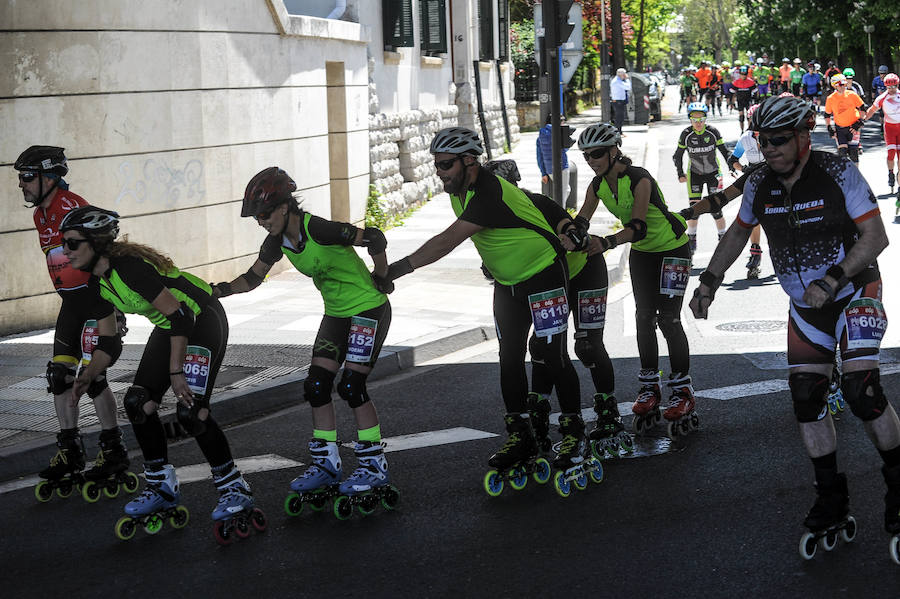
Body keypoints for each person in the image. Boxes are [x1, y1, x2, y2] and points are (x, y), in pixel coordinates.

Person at [689, 94, 900, 559]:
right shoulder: (759, 182)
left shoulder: (838, 172)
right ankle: (831, 498)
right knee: (806, 398)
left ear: (804, 136)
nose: (770, 149)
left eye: (780, 140)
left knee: (861, 391)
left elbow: (876, 237)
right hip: (806, 306)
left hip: (854, 291)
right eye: (763, 140)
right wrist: (709, 281)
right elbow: (738, 232)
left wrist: (833, 278)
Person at [374, 127, 590, 480]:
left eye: (445, 164)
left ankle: (574, 433)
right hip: (508, 284)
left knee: (553, 355)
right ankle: (520, 436)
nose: (439, 171)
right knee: (509, 358)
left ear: (469, 161)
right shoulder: (462, 190)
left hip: (544, 276)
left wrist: (394, 270)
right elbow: (526, 207)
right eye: (437, 164)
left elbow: (446, 241)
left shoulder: (488, 192)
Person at [58, 206, 260, 542]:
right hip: (171, 327)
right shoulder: (97, 283)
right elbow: (109, 341)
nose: (65, 251)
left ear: (95, 242)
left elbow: (182, 316)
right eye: (64, 243)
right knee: (138, 403)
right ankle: (161, 487)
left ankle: (234, 487)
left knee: (191, 410)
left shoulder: (130, 268)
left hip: (201, 319)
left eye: (72, 243)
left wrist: (175, 371)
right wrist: (88, 375)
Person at [213, 166, 397, 515]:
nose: (261, 222)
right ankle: (326, 464)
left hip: (368, 309)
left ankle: (373, 465)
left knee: (352, 386)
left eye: (264, 214)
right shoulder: (277, 242)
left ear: (285, 207)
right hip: (337, 315)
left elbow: (374, 238)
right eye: (257, 217)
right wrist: (216, 291)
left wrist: (382, 276)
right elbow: (252, 278)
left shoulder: (320, 229)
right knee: (316, 386)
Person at [482, 159, 631, 460]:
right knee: (538, 347)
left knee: (587, 345)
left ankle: (607, 412)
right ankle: (536, 410)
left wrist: (571, 237)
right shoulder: (482, 215)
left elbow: (573, 230)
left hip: (583, 271)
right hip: (545, 282)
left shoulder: (536, 204)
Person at [14, 146, 130, 501]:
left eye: (27, 177)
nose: (21, 184)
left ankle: (113, 449)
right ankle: (70, 450)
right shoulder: (40, 215)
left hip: (96, 302)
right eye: (20, 178)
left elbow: (104, 252)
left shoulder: (72, 208)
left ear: (49, 177)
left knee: (93, 379)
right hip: (71, 304)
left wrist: (115, 305)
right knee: (59, 376)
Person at [576, 122, 696, 439]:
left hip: (672, 249)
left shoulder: (639, 178)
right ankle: (649, 388)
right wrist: (567, 234)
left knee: (669, 319)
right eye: (586, 155)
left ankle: (682, 391)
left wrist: (606, 242)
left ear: (614, 150)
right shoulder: (597, 185)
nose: (591, 160)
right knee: (643, 317)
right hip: (643, 254)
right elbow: (581, 219)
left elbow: (638, 228)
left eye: (596, 153)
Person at [673, 102, 732, 254]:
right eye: (694, 119)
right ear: (690, 119)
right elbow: (677, 155)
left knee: (716, 208)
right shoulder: (686, 134)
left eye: (701, 119)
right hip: (695, 174)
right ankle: (692, 239)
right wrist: (680, 173)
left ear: (705, 119)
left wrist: (732, 167)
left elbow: (725, 151)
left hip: (713, 173)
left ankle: (723, 238)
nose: (698, 123)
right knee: (694, 209)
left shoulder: (713, 132)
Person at [863, 73, 900, 197]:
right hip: (889, 129)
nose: (892, 89)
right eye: (889, 87)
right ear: (885, 87)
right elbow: (872, 110)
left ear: (897, 85)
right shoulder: (882, 98)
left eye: (894, 86)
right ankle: (891, 172)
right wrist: (862, 121)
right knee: (891, 153)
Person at [825, 73, 868, 163]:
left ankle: (855, 172)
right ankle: (845, 172)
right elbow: (827, 115)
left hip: (853, 127)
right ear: (835, 86)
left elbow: (863, 108)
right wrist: (829, 127)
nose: (843, 87)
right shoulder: (830, 98)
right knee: (842, 154)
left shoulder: (852, 94)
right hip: (840, 128)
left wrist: (860, 121)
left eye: (844, 84)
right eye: (840, 85)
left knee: (853, 154)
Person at [536, 114, 570, 206]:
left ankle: (558, 209)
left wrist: (543, 173)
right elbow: (565, 149)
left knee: (562, 191)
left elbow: (539, 156)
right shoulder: (559, 133)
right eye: (562, 122)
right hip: (562, 166)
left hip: (549, 169)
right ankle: (560, 211)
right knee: (564, 192)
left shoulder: (540, 136)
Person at [731, 66, 758, 132]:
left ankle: (749, 131)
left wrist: (756, 101)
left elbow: (756, 92)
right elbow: (732, 93)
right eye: (742, 74)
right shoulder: (736, 82)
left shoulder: (751, 82)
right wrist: (732, 103)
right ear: (739, 74)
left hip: (748, 100)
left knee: (749, 116)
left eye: (745, 74)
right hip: (740, 101)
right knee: (741, 117)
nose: (744, 76)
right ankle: (742, 131)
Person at [610, 68, 632, 133]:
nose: (625, 75)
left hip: (619, 101)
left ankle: (619, 131)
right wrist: (627, 79)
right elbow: (628, 87)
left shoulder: (619, 80)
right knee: (619, 117)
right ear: (621, 74)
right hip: (618, 101)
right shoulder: (617, 81)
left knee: (620, 117)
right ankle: (617, 132)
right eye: (624, 74)